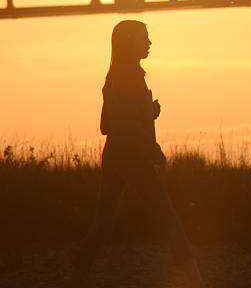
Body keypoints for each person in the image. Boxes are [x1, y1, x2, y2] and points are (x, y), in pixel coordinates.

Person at [69, 20, 204, 287]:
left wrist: (145, 113)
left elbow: (107, 125)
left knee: (102, 223)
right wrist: (151, 145)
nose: (150, 43)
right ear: (130, 42)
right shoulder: (129, 77)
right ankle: (197, 281)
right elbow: (123, 125)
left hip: (115, 156)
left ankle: (74, 278)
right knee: (169, 219)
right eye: (144, 38)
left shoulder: (113, 76)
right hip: (134, 157)